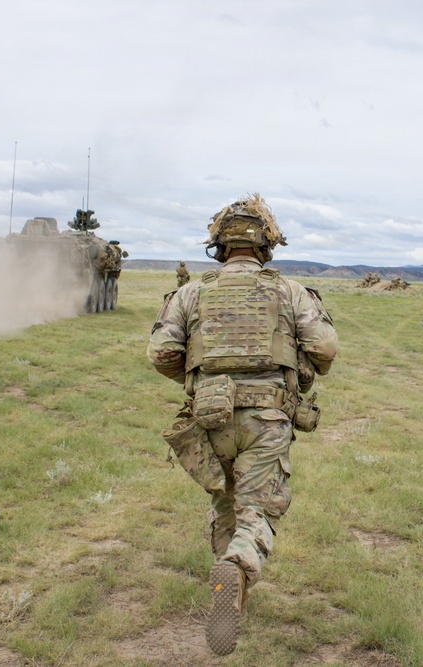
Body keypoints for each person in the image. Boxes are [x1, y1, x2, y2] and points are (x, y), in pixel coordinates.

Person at [147, 193, 338, 655]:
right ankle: (236, 567)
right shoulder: (288, 290)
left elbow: (161, 353)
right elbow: (326, 350)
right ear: (268, 244)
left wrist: (199, 379)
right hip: (267, 416)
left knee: (226, 500)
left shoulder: (192, 291)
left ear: (218, 245)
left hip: (208, 415)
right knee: (259, 508)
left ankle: (228, 589)